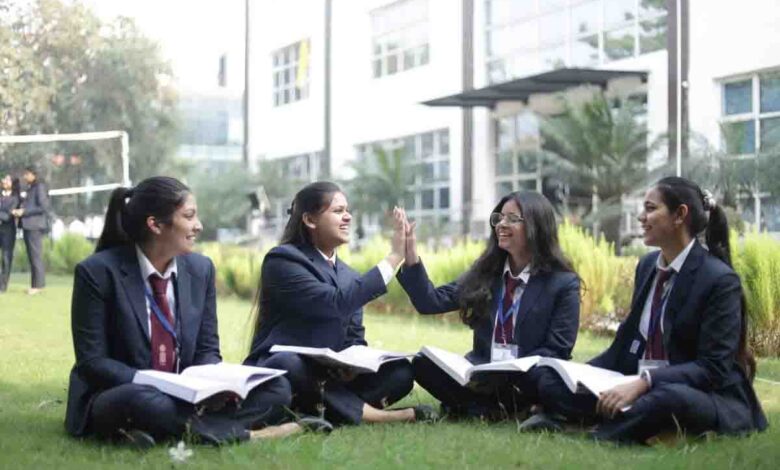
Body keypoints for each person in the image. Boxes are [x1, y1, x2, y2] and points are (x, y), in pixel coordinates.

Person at [66, 176, 324, 448]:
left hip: (187, 393)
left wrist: (215, 386)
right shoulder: (97, 272)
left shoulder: (200, 269)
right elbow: (93, 363)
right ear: (155, 225)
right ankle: (251, 434)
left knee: (276, 389)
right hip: (124, 392)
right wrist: (155, 383)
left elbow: (207, 351)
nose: (198, 225)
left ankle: (160, 430)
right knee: (150, 403)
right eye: (189, 216)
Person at [522, 177, 768, 444]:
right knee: (548, 378)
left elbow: (712, 368)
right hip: (639, 382)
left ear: (679, 215)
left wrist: (646, 381)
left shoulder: (719, 280)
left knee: (664, 400)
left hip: (698, 393)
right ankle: (626, 424)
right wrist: (575, 377)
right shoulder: (648, 266)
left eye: (650, 209)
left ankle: (590, 431)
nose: (641, 217)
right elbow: (622, 349)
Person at [244, 181, 430, 426]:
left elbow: (353, 338)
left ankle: (316, 410)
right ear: (310, 220)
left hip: (330, 376)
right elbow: (333, 303)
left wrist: (353, 366)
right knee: (289, 363)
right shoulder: (283, 260)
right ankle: (375, 416)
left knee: (400, 371)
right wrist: (395, 257)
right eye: (338, 211)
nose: (348, 217)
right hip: (286, 368)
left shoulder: (349, 275)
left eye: (347, 210)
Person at [396, 191, 581, 419]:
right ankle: (494, 410)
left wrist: (510, 369)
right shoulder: (486, 272)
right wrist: (411, 256)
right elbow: (430, 301)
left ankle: (476, 408)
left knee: (548, 380)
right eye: (499, 218)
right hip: (482, 374)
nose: (501, 224)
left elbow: (558, 349)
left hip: (525, 378)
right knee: (423, 364)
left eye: (512, 219)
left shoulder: (562, 283)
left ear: (537, 226)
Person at [12, 166, 50, 295]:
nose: (25, 177)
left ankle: (38, 286)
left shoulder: (39, 187)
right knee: (32, 256)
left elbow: (43, 207)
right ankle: (35, 285)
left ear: (34, 174)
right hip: (28, 226)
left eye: (27, 174)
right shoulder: (31, 188)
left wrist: (24, 212)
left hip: (34, 226)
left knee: (35, 256)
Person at [0, 174, 21, 292]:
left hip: (8, 231)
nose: (4, 181)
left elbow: (8, 216)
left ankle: (2, 285)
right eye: (4, 179)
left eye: (8, 180)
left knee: (6, 258)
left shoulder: (15, 198)